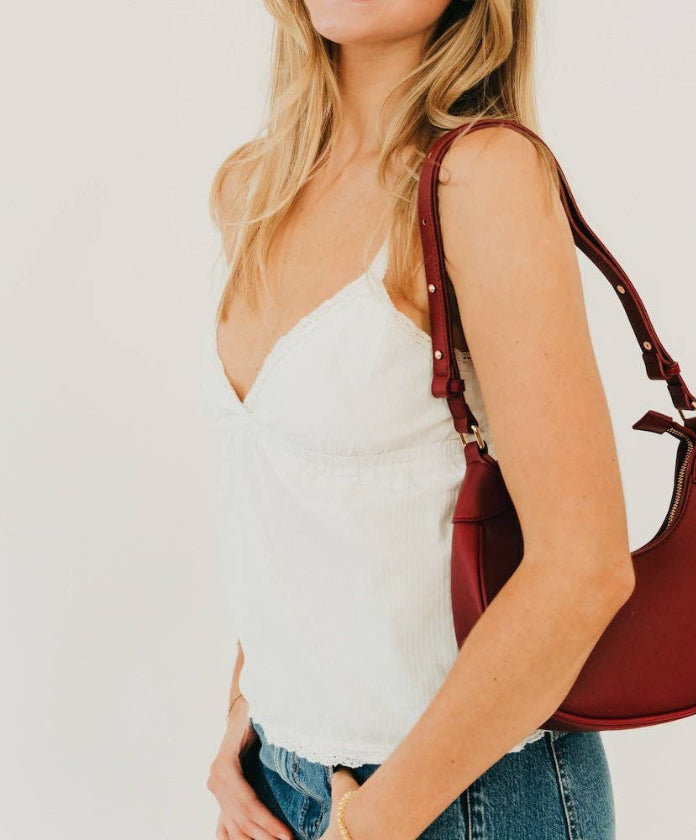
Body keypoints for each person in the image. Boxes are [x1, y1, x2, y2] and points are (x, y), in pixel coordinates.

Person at [202, 2, 635, 839]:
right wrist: (247, 711)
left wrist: (373, 824)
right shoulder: (255, 187)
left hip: (461, 797)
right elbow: (293, 498)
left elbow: (584, 568)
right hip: (279, 784)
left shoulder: (482, 177)